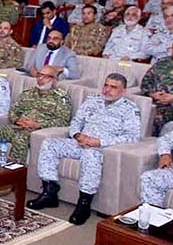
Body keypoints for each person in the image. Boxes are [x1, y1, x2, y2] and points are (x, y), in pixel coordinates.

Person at [30, 74, 142, 225]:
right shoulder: (92, 100)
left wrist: (99, 142)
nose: (107, 90)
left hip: (102, 149)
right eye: (106, 85)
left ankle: (84, 203)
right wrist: (77, 135)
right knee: (50, 144)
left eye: (113, 87)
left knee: (91, 155)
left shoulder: (130, 109)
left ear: (123, 91)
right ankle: (49, 192)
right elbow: (76, 122)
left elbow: (132, 137)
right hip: (80, 143)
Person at [0, 66, 72, 164]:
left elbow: (63, 121)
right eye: (39, 75)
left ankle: (13, 170)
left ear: (54, 80)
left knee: (20, 139)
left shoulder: (61, 97)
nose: (40, 79)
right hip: (18, 126)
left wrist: (38, 124)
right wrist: (18, 120)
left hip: (36, 131)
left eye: (46, 76)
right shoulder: (27, 93)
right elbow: (13, 110)